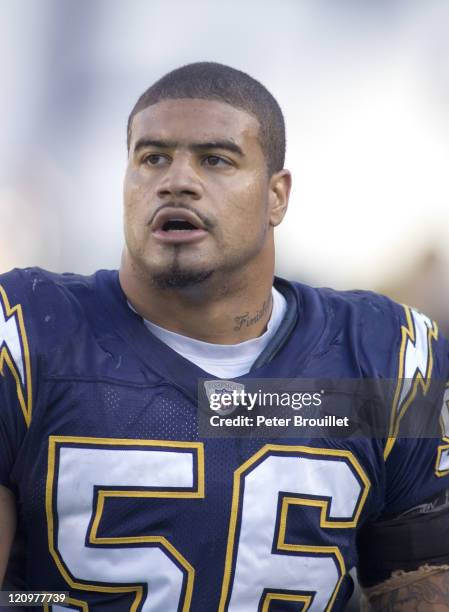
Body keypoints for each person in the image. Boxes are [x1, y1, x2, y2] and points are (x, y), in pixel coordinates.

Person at [1, 62, 449, 612]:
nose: (176, 180)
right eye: (152, 157)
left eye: (215, 159)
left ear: (277, 196)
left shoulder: (381, 355)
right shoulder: (30, 334)